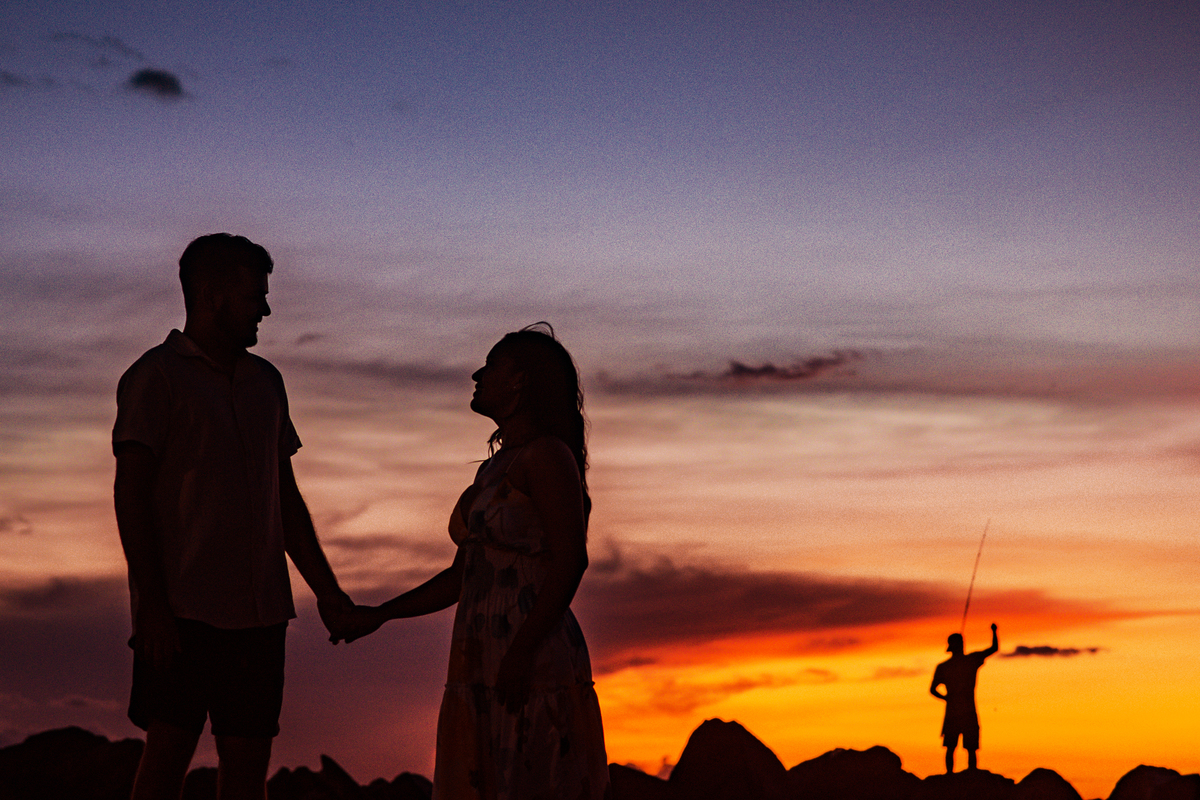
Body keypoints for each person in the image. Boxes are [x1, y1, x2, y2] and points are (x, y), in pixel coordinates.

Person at [113, 233, 352, 800]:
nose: (266, 309)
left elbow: (285, 498)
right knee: (167, 755)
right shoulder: (156, 377)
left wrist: (327, 591)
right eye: (254, 296)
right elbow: (131, 496)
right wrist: (152, 607)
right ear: (212, 295)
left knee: (247, 769)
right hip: (180, 612)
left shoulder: (267, 382)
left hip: (262, 613)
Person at [338, 323, 610, 800]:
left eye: (490, 366)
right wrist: (380, 615)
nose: (476, 375)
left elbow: (571, 561)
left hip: (529, 649)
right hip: (481, 652)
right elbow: (463, 576)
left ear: (519, 381)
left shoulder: (548, 457)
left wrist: (522, 651)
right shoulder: (493, 468)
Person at [929, 622, 999, 773]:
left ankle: (956, 775)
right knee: (961, 747)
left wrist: (946, 698)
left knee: (959, 747)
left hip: (958, 711)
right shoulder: (967, 662)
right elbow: (994, 648)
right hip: (963, 712)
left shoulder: (947, 666)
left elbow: (932, 690)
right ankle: (960, 774)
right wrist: (994, 631)